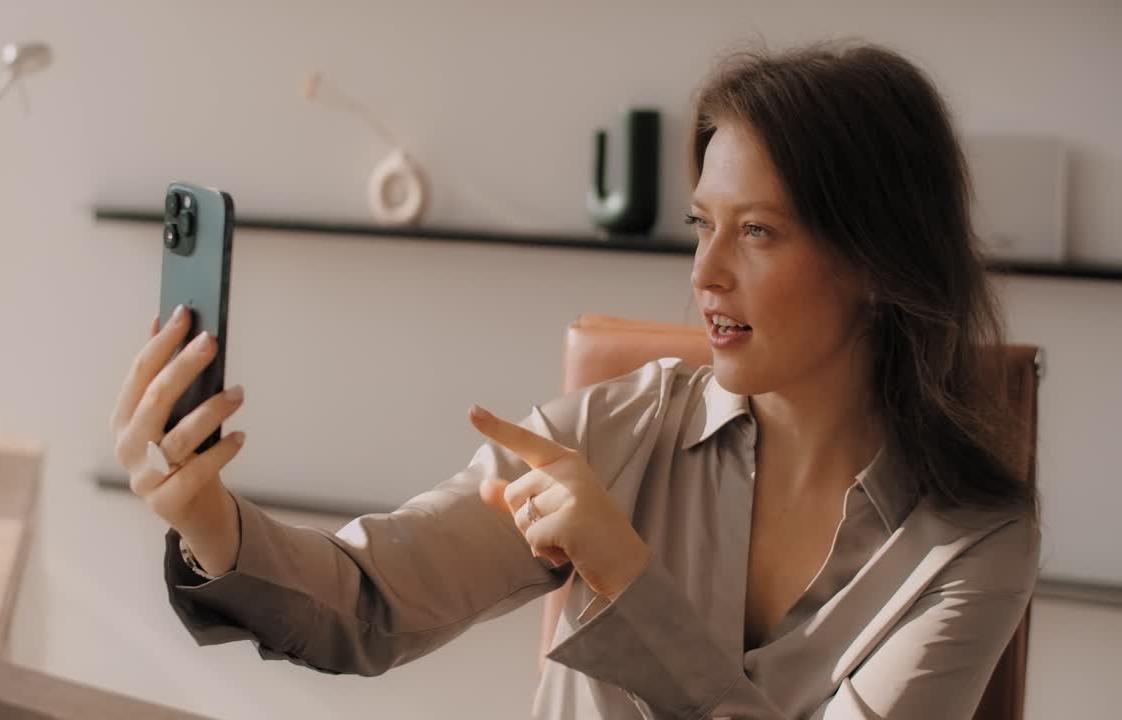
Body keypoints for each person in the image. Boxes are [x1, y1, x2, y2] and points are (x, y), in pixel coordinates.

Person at [109, 40, 1041, 720]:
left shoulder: (972, 545)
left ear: (877, 262)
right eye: (702, 225)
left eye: (758, 231)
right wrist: (210, 522)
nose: (706, 273)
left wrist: (625, 576)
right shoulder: (611, 432)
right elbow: (369, 599)